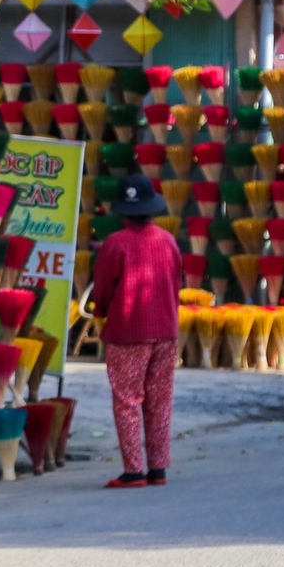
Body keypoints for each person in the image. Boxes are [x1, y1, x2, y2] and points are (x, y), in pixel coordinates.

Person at [89, 175, 182, 487]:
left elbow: (101, 289)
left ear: (123, 212)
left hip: (128, 331)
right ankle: (158, 468)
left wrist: (100, 311)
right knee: (160, 399)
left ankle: (133, 470)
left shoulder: (116, 243)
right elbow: (175, 283)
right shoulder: (168, 241)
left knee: (128, 399)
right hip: (166, 330)